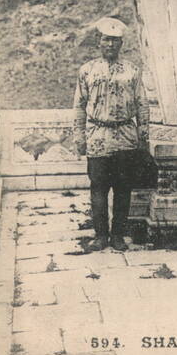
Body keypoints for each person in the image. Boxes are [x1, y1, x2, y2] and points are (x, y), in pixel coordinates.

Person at [73, 17, 149, 252]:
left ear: (121, 44)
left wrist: (143, 135)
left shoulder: (132, 71)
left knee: (123, 188)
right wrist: (79, 136)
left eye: (115, 41)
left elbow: (142, 104)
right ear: (99, 41)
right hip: (97, 136)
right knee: (98, 187)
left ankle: (118, 235)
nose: (111, 45)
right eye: (107, 40)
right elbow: (79, 105)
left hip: (125, 135)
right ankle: (101, 235)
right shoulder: (87, 71)